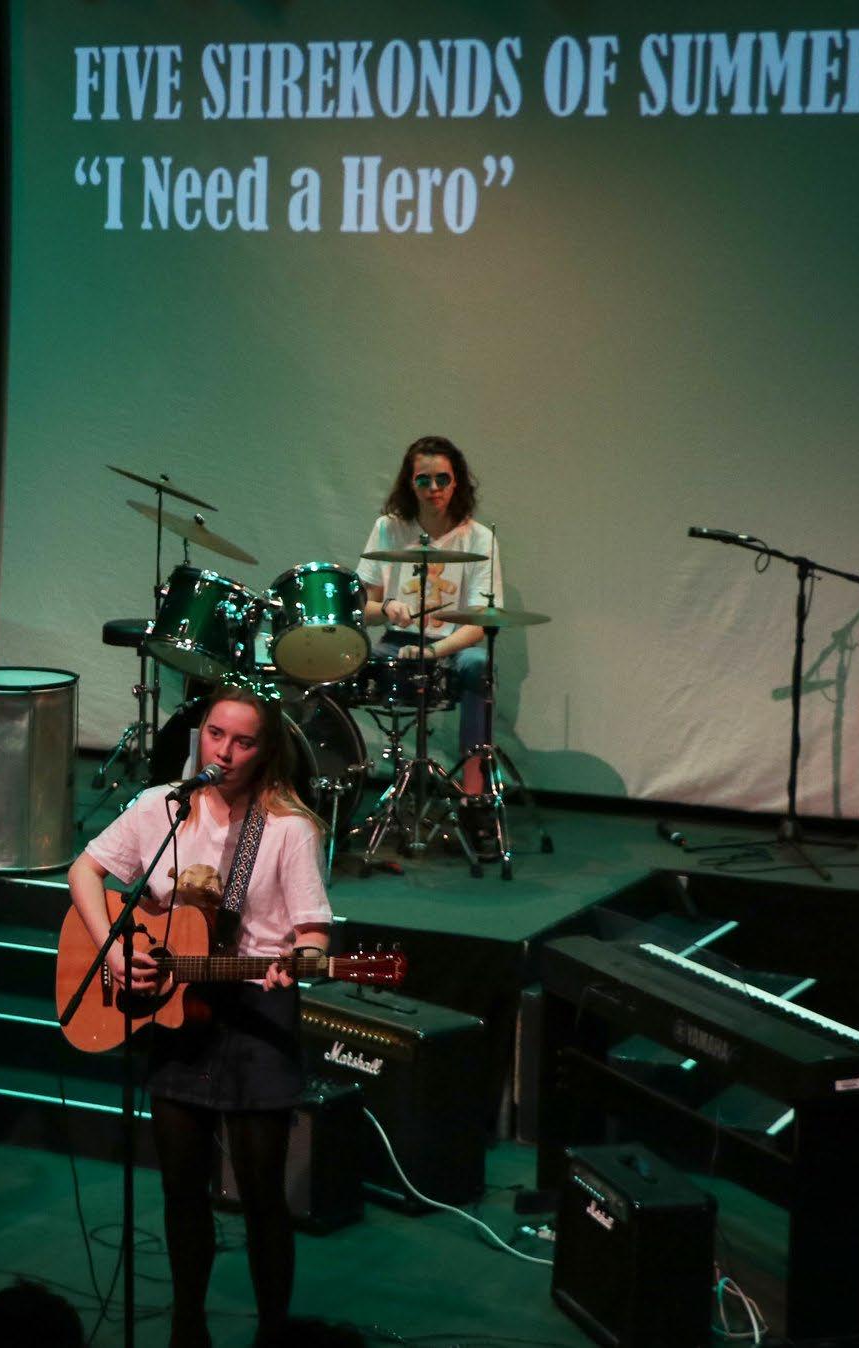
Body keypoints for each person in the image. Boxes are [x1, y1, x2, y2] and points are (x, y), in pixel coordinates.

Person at [67, 681, 334, 1347]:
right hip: (176, 1018)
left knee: (261, 1196)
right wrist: (114, 951)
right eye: (216, 735)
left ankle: (273, 1334)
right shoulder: (161, 808)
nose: (225, 752)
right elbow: (84, 871)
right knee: (181, 1190)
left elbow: (313, 936)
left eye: (243, 741)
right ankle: (188, 1327)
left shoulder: (288, 827)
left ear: (265, 750)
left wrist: (299, 960)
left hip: (256, 1016)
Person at [354, 435, 503, 804]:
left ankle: (474, 795)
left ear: (456, 482)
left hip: (452, 646)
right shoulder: (388, 528)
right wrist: (386, 607)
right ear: (410, 483)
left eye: (442, 479)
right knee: (339, 664)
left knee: (480, 665)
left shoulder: (479, 538)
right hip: (397, 642)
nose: (433, 488)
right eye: (423, 479)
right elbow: (362, 607)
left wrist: (434, 652)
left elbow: (480, 623)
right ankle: (337, 782)